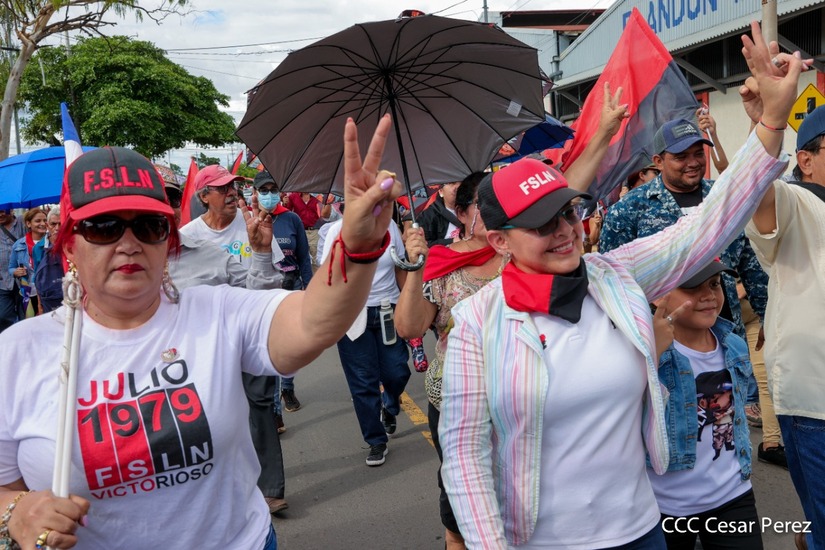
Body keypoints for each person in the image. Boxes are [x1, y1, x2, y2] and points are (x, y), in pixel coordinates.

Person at [437, 24, 800, 547]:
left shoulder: (614, 278)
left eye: (566, 214)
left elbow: (707, 226)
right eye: (540, 224)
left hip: (641, 531)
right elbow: (466, 454)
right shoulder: (478, 323)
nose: (563, 232)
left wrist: (771, 120)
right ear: (498, 241)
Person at [0, 114, 402, 549]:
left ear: (167, 240)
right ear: (69, 243)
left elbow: (313, 321)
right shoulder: (18, 353)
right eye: (104, 226)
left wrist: (357, 247)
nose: (129, 242)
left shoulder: (216, 310)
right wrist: (17, 511)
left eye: (150, 226)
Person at [741, 51, 825, 549]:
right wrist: (767, 123)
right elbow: (758, 195)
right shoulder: (799, 203)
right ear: (808, 159)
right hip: (816, 407)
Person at [396, 171, 504, 549]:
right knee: (461, 498)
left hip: (518, 397)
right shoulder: (440, 262)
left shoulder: (524, 253)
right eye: (485, 204)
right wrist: (416, 266)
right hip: (457, 402)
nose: (497, 211)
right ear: (461, 213)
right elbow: (410, 326)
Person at [651, 260, 763, 550]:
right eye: (692, 286)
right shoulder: (650, 353)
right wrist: (652, 353)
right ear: (658, 295)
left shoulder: (733, 345)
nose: (709, 295)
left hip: (732, 496)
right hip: (664, 505)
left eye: (714, 284)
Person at [320, 213, 411, 467]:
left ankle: (390, 404)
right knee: (363, 381)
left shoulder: (390, 225)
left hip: (388, 310)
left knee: (397, 371)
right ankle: (375, 440)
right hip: (353, 316)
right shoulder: (337, 231)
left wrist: (411, 304)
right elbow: (327, 277)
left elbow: (399, 267)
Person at [252, 170, 313, 414]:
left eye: (273, 190)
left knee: (288, 343)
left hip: (291, 288)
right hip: (261, 292)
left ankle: (287, 387)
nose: (269, 195)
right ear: (255, 194)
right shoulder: (247, 221)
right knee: (266, 345)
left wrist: (308, 289)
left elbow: (304, 258)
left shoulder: (291, 219)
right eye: (264, 191)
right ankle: (273, 408)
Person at [8, 208, 48, 317]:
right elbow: (11, 268)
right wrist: (15, 272)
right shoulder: (19, 245)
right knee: (30, 322)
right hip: (27, 292)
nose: (43, 224)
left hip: (47, 291)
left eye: (45, 220)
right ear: (28, 224)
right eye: (38, 221)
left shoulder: (52, 242)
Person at [32, 207, 64, 314]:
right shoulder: (39, 248)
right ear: (47, 226)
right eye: (53, 224)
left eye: (61, 223)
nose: (57, 228)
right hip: (48, 300)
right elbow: (37, 278)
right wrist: (39, 304)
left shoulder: (72, 244)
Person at [0, 209, 25, 331]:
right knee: (3, 316)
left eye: (2, 211)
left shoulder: (22, 222)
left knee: (25, 314)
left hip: (25, 280)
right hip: (3, 281)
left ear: (11, 210)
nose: (0, 214)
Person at [416, 180, 462, 246]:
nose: (458, 186)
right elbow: (424, 245)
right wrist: (452, 241)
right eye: (451, 183)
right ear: (441, 191)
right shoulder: (428, 216)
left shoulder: (473, 210)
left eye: (461, 182)